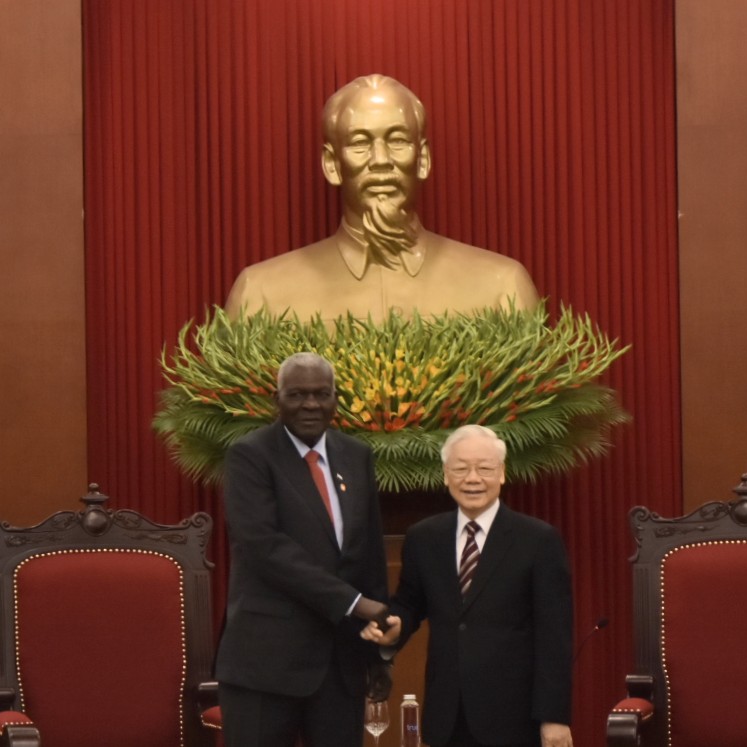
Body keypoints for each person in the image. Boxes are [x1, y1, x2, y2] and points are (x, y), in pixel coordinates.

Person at [225, 74, 540, 320]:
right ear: (332, 165)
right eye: (360, 143)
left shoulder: (502, 287)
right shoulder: (261, 295)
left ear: (423, 158)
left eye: (398, 140)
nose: (380, 159)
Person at [216, 351, 393, 746]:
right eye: (297, 395)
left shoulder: (356, 455)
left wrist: (379, 654)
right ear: (276, 399)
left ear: (335, 399)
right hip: (266, 666)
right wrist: (353, 603)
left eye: (321, 394)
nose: (311, 404)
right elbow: (265, 548)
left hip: (341, 665)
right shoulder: (251, 456)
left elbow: (368, 554)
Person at [364, 425, 574, 747]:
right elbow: (409, 603)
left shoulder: (537, 540)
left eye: (484, 468)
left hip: (514, 719)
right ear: (446, 475)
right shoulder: (424, 537)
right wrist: (395, 627)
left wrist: (554, 717)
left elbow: (555, 637)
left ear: (501, 474)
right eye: (461, 469)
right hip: (447, 715)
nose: (472, 478)